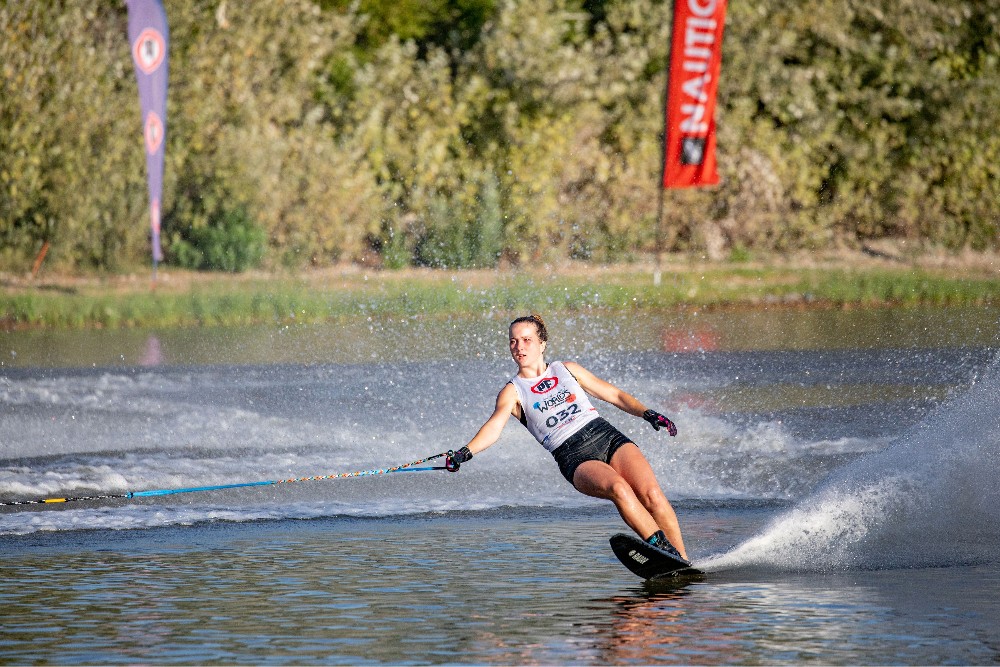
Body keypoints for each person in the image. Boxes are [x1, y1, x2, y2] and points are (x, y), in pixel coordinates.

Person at [446, 314, 689, 562]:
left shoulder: (567, 370)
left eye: (526, 340)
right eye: (513, 341)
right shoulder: (513, 391)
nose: (519, 347)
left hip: (606, 436)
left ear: (542, 344)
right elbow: (493, 427)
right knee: (619, 488)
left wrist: (647, 414)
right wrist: (465, 452)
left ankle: (683, 560)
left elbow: (615, 395)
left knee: (652, 496)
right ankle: (664, 551)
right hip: (573, 455)